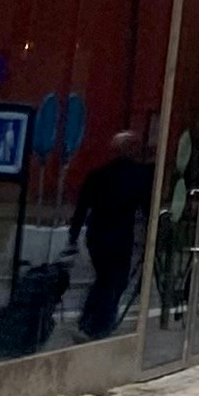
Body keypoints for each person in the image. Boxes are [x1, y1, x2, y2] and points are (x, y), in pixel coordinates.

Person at [71, 132, 152, 341]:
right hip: (120, 235)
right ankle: (97, 325)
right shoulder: (139, 175)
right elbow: (146, 207)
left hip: (97, 234)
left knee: (104, 278)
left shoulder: (98, 174)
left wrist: (73, 235)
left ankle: (89, 320)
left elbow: (82, 208)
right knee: (114, 280)